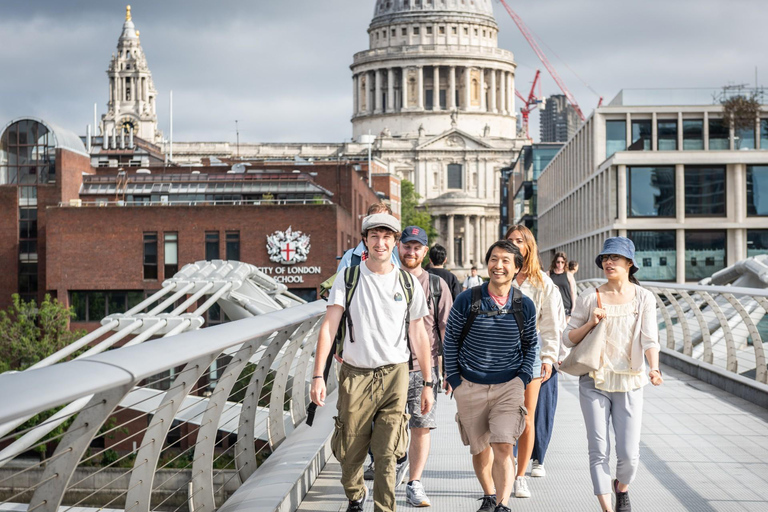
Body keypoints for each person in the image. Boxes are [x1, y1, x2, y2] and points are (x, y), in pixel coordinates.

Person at [311, 213, 435, 512]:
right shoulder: (349, 277)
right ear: (365, 240)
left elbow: (418, 333)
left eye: (387, 237)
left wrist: (429, 383)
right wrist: (317, 376)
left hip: (395, 375)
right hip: (355, 375)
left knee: (387, 453)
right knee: (349, 452)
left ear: (394, 242)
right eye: (375, 237)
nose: (381, 243)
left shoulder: (407, 282)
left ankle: (384, 508)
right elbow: (329, 327)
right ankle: (355, 494)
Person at [563, 237, 662, 512]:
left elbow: (650, 339)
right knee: (598, 448)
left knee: (629, 455)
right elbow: (567, 339)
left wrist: (654, 367)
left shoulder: (644, 298)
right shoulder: (588, 297)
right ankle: (607, 508)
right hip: (594, 380)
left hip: (629, 380)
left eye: (615, 258)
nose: (608, 262)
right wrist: (591, 322)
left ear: (630, 264)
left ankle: (622, 486)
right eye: (605, 258)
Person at [443, 240, 538, 512]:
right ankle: (488, 494)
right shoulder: (467, 299)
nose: (499, 266)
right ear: (487, 264)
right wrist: (456, 382)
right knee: (479, 448)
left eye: (506, 261)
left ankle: (502, 504)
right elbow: (450, 340)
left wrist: (522, 378)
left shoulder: (524, 305)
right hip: (470, 385)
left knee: (503, 445)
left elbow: (531, 344)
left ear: (517, 268)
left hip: (509, 386)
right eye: (494, 259)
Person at [505, 225, 565, 498]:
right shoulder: (500, 277)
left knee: (527, 416)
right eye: (510, 241)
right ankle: (503, 470)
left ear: (529, 246)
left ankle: (520, 476)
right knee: (501, 417)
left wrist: (549, 358)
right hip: (500, 354)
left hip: (531, 353)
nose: (515, 245)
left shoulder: (543, 282)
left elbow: (552, 325)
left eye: (520, 241)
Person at [398, 225, 453, 507]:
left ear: (424, 251)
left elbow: (448, 329)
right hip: (389, 367)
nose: (411, 251)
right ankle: (396, 460)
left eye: (417, 247)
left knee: (421, 425)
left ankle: (414, 482)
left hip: (424, 368)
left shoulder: (436, 285)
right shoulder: (387, 280)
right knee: (388, 427)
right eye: (407, 246)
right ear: (399, 247)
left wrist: (449, 372)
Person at [337, 202, 400, 272]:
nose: (379, 224)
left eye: (384, 220)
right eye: (374, 220)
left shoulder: (397, 258)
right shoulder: (350, 258)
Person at [547, 252, 578, 318]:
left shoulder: (569, 275)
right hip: (553, 307)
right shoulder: (549, 274)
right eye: (558, 262)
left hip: (566, 307)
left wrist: (573, 306)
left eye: (562, 262)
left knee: (566, 328)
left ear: (565, 263)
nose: (560, 264)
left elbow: (573, 292)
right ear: (555, 262)